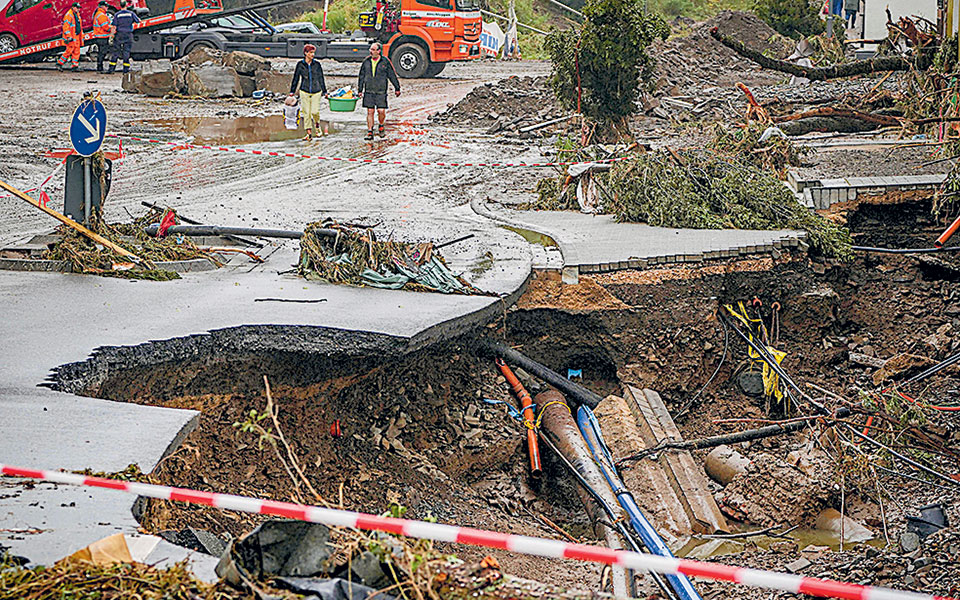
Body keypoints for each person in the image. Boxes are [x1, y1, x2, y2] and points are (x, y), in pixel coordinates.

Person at [356, 42, 400, 140]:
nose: (370, 51)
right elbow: (361, 76)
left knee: (381, 111)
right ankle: (370, 131)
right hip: (369, 90)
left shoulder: (385, 62)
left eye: (373, 49)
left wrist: (397, 88)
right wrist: (360, 90)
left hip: (381, 91)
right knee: (370, 111)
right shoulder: (366, 62)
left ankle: (381, 125)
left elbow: (392, 75)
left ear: (378, 51)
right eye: (370, 49)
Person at [289, 44, 327, 140]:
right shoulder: (300, 64)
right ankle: (309, 133)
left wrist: (325, 91)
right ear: (305, 53)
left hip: (316, 90)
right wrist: (292, 91)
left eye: (313, 52)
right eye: (310, 52)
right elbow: (296, 78)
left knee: (315, 111)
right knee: (306, 113)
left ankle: (317, 126)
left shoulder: (317, 65)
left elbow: (321, 78)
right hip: (304, 90)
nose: (312, 54)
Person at [107, 0, 141, 74]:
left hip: (119, 34)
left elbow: (114, 27)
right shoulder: (131, 14)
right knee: (126, 52)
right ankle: (125, 70)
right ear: (126, 5)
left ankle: (111, 69)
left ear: (120, 5)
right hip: (128, 34)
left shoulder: (117, 15)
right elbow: (138, 21)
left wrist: (111, 36)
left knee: (116, 52)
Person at [56, 2, 82, 71]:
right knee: (69, 51)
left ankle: (74, 66)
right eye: (77, 8)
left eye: (78, 8)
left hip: (75, 36)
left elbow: (78, 26)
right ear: (73, 7)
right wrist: (68, 36)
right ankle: (59, 63)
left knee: (76, 51)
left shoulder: (76, 15)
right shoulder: (69, 15)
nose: (78, 9)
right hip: (71, 37)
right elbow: (66, 27)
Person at [91, 1, 113, 73]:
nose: (107, 8)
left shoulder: (100, 14)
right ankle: (99, 67)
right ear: (102, 6)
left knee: (101, 52)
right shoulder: (101, 15)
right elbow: (105, 27)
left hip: (100, 36)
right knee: (102, 52)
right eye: (106, 6)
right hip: (102, 37)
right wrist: (112, 29)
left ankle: (99, 67)